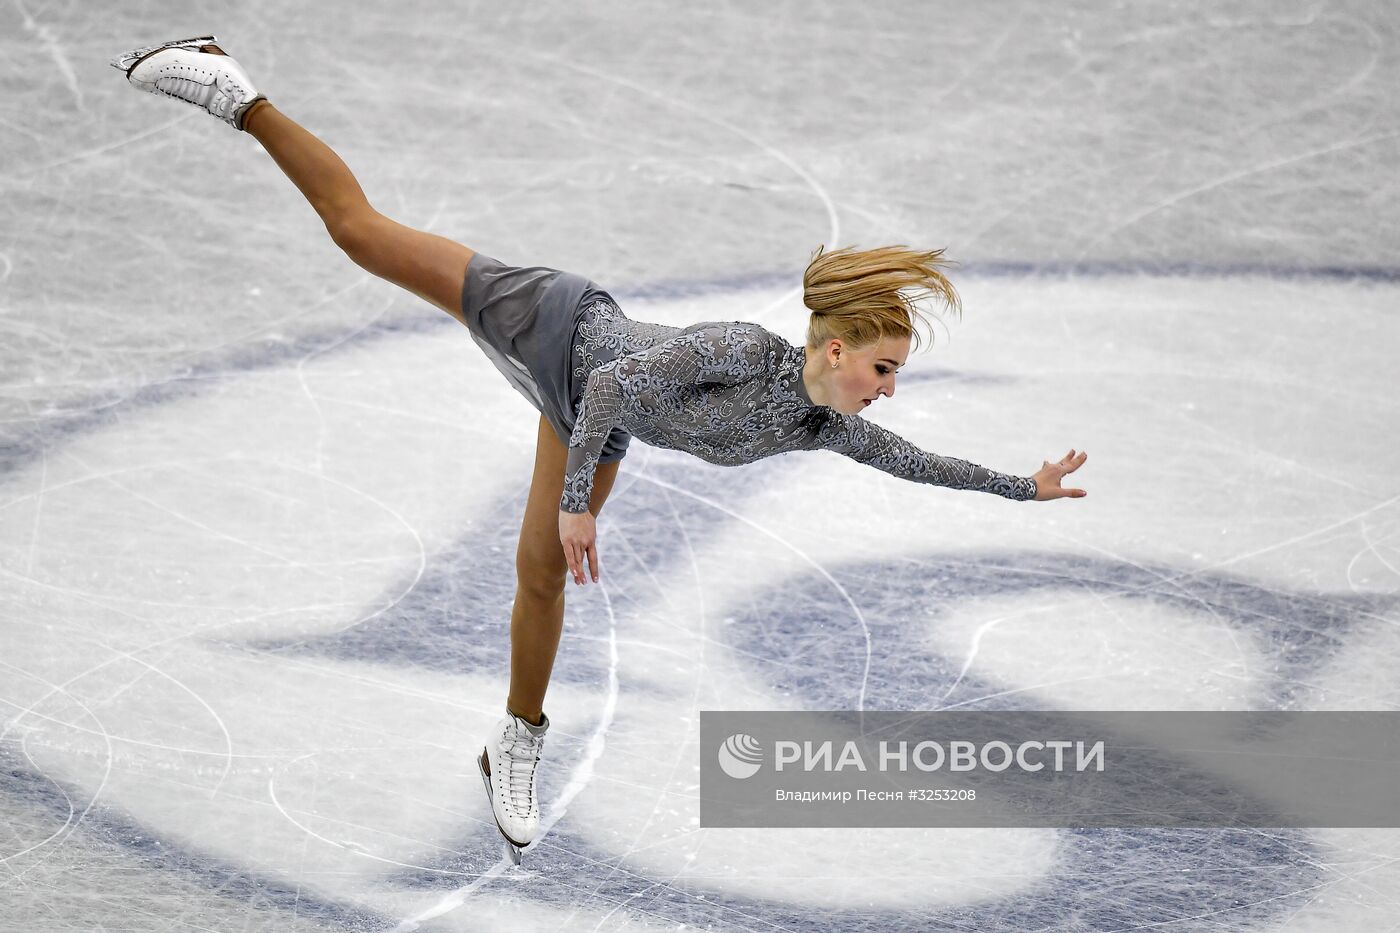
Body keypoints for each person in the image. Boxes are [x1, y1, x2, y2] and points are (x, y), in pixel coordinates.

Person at [111, 37, 1090, 862]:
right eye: (881, 368)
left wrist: (1022, 489)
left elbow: (914, 461)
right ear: (834, 350)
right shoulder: (740, 350)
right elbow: (616, 381)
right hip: (551, 325)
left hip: (590, 418)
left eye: (890, 378)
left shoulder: (816, 423)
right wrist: (579, 496)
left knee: (537, 574)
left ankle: (516, 742)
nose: (885, 389)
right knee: (359, 234)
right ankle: (234, 92)